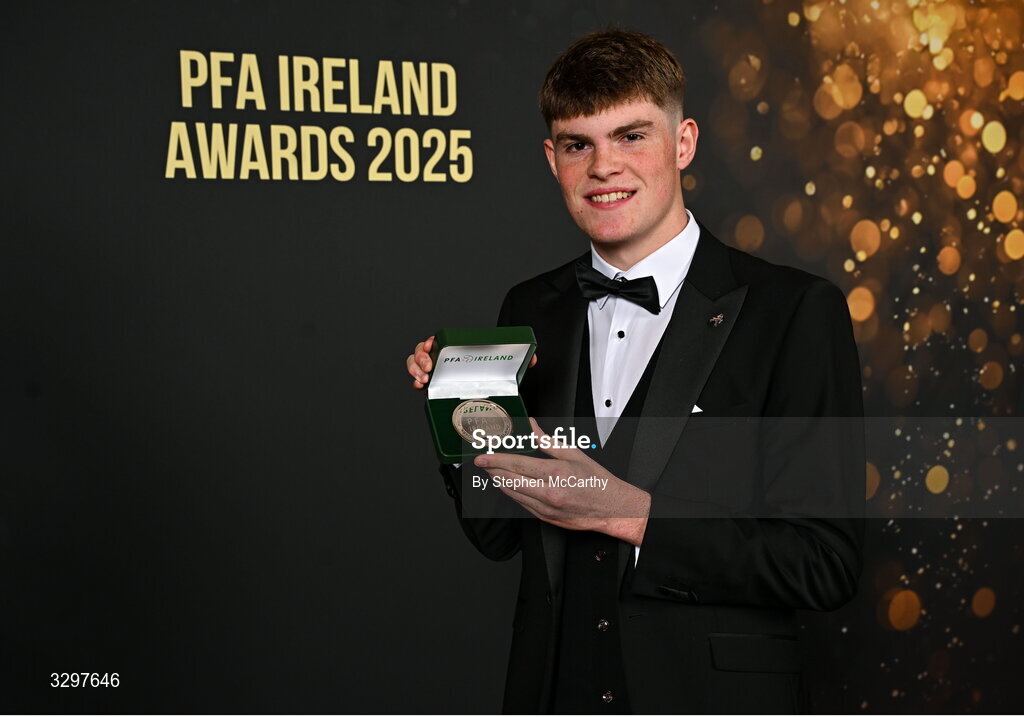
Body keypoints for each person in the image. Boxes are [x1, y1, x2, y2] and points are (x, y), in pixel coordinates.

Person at [406, 29, 863, 714]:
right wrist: (456, 411)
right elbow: (498, 530)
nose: (603, 167)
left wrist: (630, 512)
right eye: (577, 144)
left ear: (683, 143)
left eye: (631, 136)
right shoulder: (529, 307)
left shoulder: (795, 311)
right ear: (551, 158)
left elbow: (824, 561)